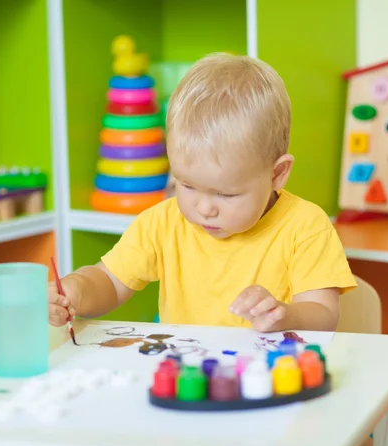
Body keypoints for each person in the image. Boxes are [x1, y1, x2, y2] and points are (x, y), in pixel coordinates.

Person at [49, 53, 357, 333]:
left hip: (273, 378)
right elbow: (110, 283)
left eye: (225, 194)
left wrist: (286, 315)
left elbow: (323, 313)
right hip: (186, 381)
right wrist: (76, 290)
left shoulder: (305, 227)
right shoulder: (162, 223)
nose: (204, 208)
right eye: (187, 185)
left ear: (277, 174)